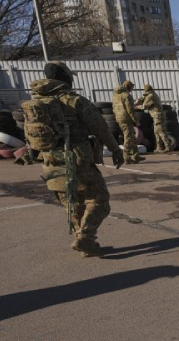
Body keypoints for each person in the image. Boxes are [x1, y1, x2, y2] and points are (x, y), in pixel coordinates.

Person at [26, 61, 124, 256]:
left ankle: (84, 243)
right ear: (65, 77)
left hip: (50, 163)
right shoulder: (73, 100)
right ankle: (86, 237)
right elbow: (100, 128)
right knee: (99, 200)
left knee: (73, 202)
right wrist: (116, 150)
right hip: (76, 160)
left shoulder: (35, 103)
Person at [112, 80, 143, 163]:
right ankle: (127, 158)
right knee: (128, 137)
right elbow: (131, 110)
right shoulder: (127, 95)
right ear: (128, 86)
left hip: (119, 118)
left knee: (131, 136)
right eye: (132, 87)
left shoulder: (115, 95)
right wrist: (136, 121)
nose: (132, 88)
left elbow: (113, 107)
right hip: (126, 118)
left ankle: (136, 156)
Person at [138, 84, 171, 153]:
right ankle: (159, 147)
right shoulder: (152, 94)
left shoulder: (151, 96)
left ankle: (168, 147)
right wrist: (141, 99)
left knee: (161, 131)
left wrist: (137, 107)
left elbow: (144, 106)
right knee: (156, 132)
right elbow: (144, 99)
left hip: (157, 116)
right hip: (156, 116)